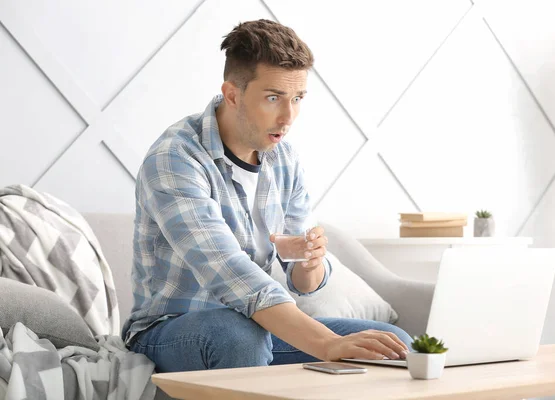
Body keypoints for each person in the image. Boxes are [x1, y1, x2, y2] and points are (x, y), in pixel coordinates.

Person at [123, 19, 413, 372]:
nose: (288, 116)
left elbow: (302, 282)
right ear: (232, 94)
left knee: (392, 344)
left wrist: (310, 263)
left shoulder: (283, 158)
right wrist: (326, 343)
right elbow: (231, 273)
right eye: (273, 98)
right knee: (238, 335)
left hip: (257, 326)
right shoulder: (176, 158)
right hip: (170, 330)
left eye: (298, 98)